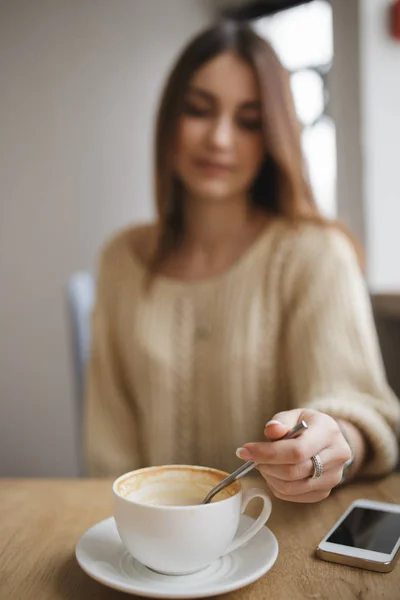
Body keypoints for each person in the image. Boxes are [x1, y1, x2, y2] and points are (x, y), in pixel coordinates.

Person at [84, 20, 400, 503]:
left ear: (274, 134)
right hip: (147, 552)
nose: (219, 138)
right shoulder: (121, 260)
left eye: (249, 120)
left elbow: (360, 412)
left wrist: (335, 443)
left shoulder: (316, 254)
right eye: (198, 110)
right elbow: (106, 455)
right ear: (169, 120)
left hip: (280, 539)